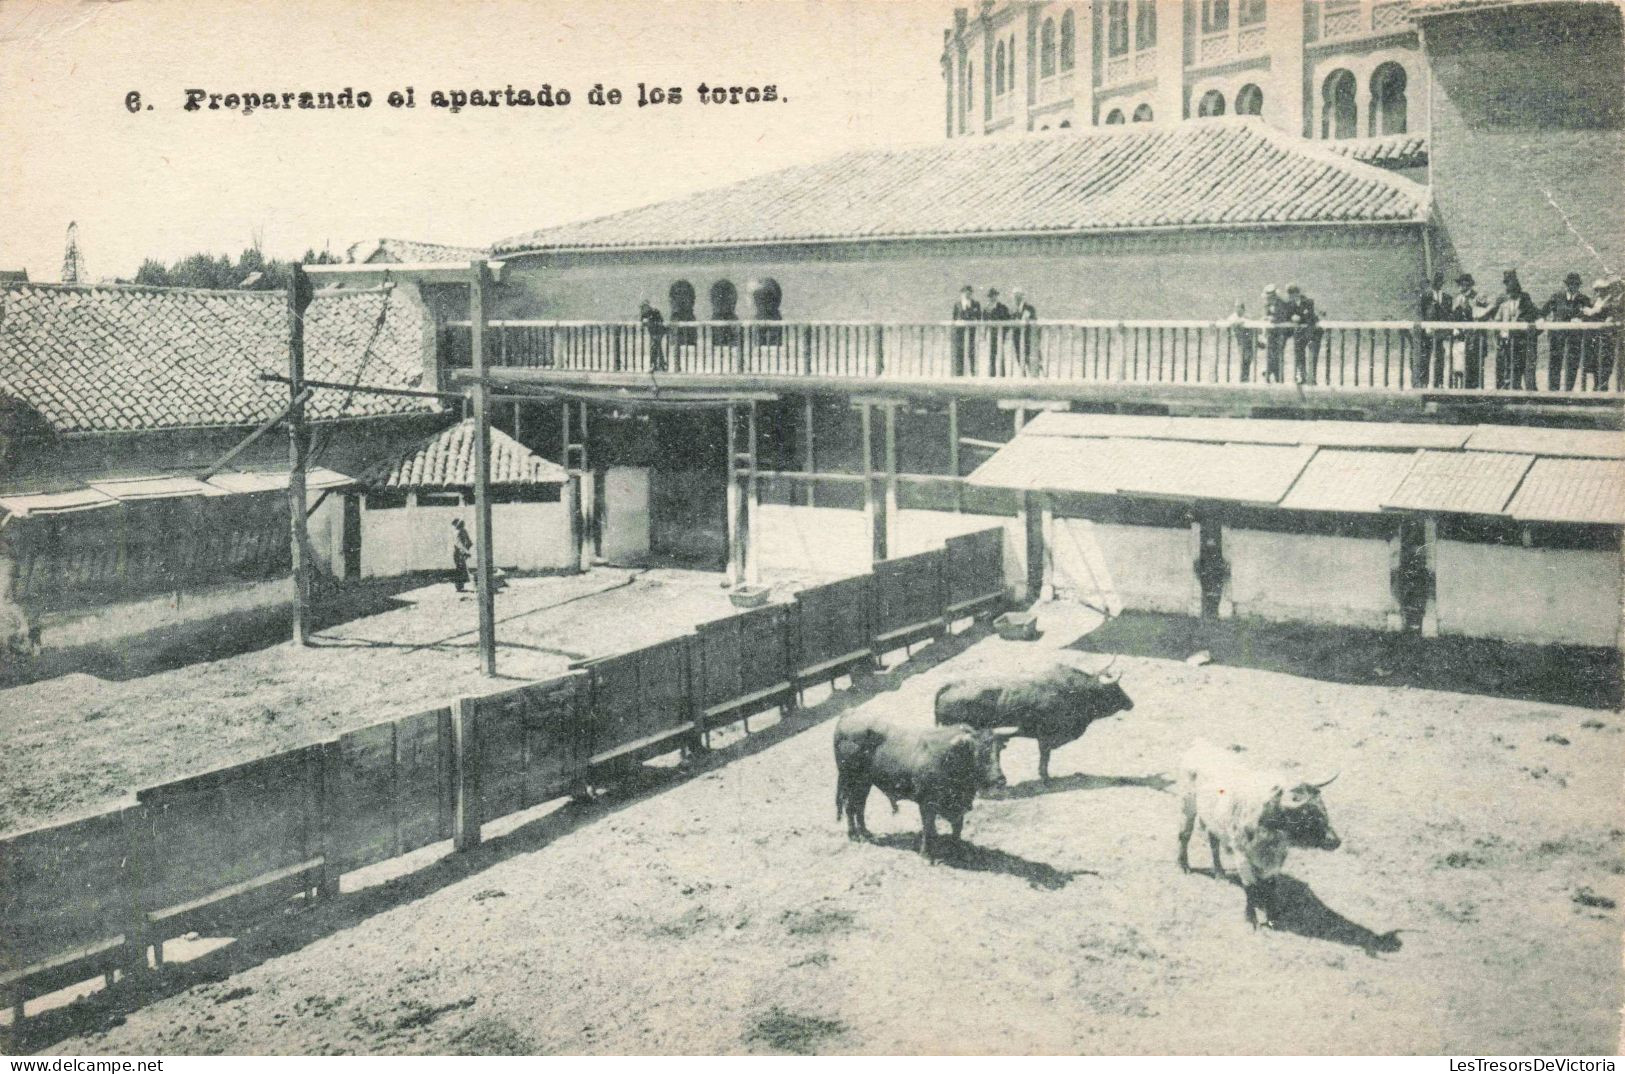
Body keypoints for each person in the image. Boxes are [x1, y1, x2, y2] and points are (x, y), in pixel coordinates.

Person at [1491, 269, 1540, 390]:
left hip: (1523, 343)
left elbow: (1537, 317)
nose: (1509, 287)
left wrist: (1532, 334)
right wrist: (1498, 338)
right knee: (1509, 371)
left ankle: (1529, 395)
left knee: (1526, 372)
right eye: (1507, 284)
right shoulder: (1503, 302)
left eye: (1512, 284)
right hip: (1507, 343)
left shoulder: (1525, 301)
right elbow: (1496, 321)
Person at [1543, 272, 1591, 391]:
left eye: (1576, 284)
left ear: (1579, 285)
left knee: (1573, 361)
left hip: (1574, 336)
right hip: (1557, 334)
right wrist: (1543, 321)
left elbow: (1591, 315)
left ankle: (1569, 389)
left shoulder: (1584, 299)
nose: (1573, 286)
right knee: (1555, 361)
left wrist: (1581, 319)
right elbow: (1543, 311)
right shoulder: (1556, 296)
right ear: (1567, 284)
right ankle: (1553, 390)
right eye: (1571, 284)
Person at [1450, 273, 1490, 389]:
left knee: (1476, 367)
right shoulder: (1458, 299)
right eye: (1460, 285)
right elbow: (1453, 316)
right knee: (1461, 368)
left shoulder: (1477, 297)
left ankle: (1476, 392)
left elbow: (1485, 314)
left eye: (1464, 284)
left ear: (1469, 285)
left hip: (1476, 338)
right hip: (1462, 338)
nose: (1462, 287)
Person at [1583, 277, 1622, 391]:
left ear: (1607, 290)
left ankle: (1603, 386)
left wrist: (1593, 311)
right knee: (1594, 361)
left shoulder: (1610, 301)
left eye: (1602, 289)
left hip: (1607, 337)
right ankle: (1597, 385)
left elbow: (1609, 310)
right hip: (1595, 336)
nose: (1599, 292)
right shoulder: (1596, 301)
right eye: (1598, 290)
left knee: (1605, 361)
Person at [1418, 272, 1453, 388]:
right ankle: (1424, 382)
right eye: (1435, 281)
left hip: (1440, 332)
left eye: (1439, 281)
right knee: (1425, 356)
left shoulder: (1447, 298)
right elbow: (1422, 313)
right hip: (1428, 330)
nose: (1437, 283)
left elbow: (1448, 315)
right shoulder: (1426, 296)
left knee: (1439, 357)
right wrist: (1426, 327)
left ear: (1442, 283)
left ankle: (1439, 382)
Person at [1285, 284, 1320, 385]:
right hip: (1299, 334)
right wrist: (1292, 317)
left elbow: (1310, 317)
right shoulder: (1290, 304)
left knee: (1313, 356)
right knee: (1299, 355)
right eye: (1290, 295)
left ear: (1297, 293)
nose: (1291, 297)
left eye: (1293, 294)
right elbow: (1286, 315)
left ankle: (1312, 378)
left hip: (1312, 332)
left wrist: (1299, 318)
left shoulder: (1308, 302)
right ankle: (1302, 376)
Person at [1221, 300, 1258, 382]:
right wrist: (1239, 322)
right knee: (1243, 359)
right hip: (1239, 341)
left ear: (1243, 309)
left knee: (1248, 359)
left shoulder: (1247, 316)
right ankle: (1242, 379)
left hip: (1249, 339)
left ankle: (1246, 378)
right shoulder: (1233, 317)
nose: (1237, 309)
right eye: (1236, 307)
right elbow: (1230, 322)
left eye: (1239, 307)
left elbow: (1252, 323)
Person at [950, 284, 981, 376]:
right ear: (962, 293)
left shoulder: (976, 304)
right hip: (960, 333)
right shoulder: (957, 305)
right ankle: (959, 374)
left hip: (971, 333)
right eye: (965, 293)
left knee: (972, 353)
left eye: (969, 293)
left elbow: (979, 318)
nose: (967, 295)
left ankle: (973, 373)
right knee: (959, 353)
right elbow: (954, 319)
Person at [1010, 288, 1039, 375]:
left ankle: (1033, 376)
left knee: (1030, 359)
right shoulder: (1013, 310)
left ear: (1022, 297)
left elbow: (1031, 320)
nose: (1015, 298)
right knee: (1020, 359)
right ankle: (1023, 376)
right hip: (1017, 338)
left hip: (1028, 339)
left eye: (1018, 296)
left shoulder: (1029, 308)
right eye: (1014, 296)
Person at [1262, 285, 1288, 383]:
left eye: (1269, 297)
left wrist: (1273, 318)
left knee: (1278, 355)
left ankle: (1276, 376)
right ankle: (1269, 374)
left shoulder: (1281, 303)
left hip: (1280, 333)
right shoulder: (1267, 305)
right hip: (1271, 333)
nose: (1268, 299)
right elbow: (1265, 315)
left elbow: (1283, 316)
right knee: (1270, 354)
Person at [984, 287, 1011, 375]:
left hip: (1000, 334)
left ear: (996, 296)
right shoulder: (986, 309)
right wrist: (984, 334)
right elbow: (984, 323)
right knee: (991, 355)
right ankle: (991, 374)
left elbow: (1008, 321)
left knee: (1001, 355)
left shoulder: (1003, 308)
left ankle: (1002, 374)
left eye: (993, 295)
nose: (992, 298)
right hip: (990, 334)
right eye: (990, 296)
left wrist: (1004, 333)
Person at [638, 300, 667, 372]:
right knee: (657, 347)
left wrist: (650, 322)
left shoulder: (655, 311)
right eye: (642, 308)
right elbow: (641, 324)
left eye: (644, 307)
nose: (642, 309)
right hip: (652, 332)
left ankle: (654, 364)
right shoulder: (643, 313)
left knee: (654, 347)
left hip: (659, 331)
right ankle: (662, 364)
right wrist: (644, 323)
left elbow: (661, 321)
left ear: (647, 306)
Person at [450, 517, 473, 594]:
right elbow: (458, 544)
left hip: (461, 552)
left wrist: (466, 550)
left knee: (461, 569)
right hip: (458, 553)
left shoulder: (462, 531)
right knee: (460, 569)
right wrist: (466, 551)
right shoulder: (458, 532)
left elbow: (469, 542)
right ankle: (459, 586)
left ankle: (460, 586)